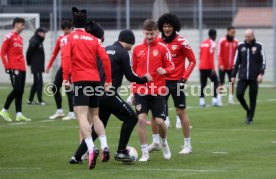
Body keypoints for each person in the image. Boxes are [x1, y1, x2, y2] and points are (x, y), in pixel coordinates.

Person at [69, 28, 153, 164]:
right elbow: (130, 75)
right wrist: (145, 79)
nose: (131, 48)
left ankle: (76, 156)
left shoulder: (104, 48)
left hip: (96, 93)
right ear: (130, 42)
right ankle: (121, 151)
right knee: (131, 117)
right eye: (132, 45)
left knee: (97, 128)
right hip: (109, 94)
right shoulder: (123, 53)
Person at [62, 7, 112, 170]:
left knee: (81, 115)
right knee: (95, 115)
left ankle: (91, 149)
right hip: (95, 80)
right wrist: (108, 81)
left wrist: (65, 78)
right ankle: (104, 145)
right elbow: (105, 59)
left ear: (73, 23)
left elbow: (66, 58)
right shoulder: (94, 39)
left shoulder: (68, 38)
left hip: (80, 80)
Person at [147, 13, 196, 155]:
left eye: (169, 26)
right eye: (164, 26)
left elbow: (192, 61)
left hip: (177, 82)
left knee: (181, 112)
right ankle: (156, 142)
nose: (167, 28)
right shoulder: (157, 41)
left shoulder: (182, 41)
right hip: (161, 83)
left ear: (174, 26)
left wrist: (184, 77)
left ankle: (187, 145)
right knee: (155, 114)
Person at [132, 19, 174, 162]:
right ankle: (144, 153)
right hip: (141, 91)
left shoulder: (163, 48)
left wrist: (165, 70)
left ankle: (164, 143)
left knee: (160, 121)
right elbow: (133, 71)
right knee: (141, 120)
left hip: (158, 91)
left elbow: (171, 66)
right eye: (147, 33)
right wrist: (133, 91)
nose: (149, 36)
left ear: (157, 32)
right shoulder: (137, 49)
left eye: (152, 33)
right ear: (143, 32)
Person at [231, 29, 266, 124]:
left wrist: (261, 74)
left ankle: (250, 118)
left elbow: (263, 61)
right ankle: (248, 110)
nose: (247, 38)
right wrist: (233, 75)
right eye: (245, 37)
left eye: (249, 37)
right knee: (239, 94)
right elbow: (236, 61)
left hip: (254, 77)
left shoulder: (259, 46)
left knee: (252, 98)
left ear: (253, 36)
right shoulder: (240, 46)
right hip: (242, 76)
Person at [0, 17, 31, 122]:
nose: (23, 27)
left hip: (22, 67)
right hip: (14, 68)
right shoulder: (8, 36)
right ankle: (4, 110)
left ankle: (19, 113)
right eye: (22, 25)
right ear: (16, 24)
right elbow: (2, 53)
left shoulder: (20, 38)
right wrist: (6, 66)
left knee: (21, 91)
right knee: (17, 89)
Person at [46, 20, 75, 120]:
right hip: (62, 68)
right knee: (54, 88)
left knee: (68, 90)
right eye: (65, 29)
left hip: (72, 68)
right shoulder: (60, 39)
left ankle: (72, 113)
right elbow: (54, 53)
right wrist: (49, 65)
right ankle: (60, 111)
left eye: (68, 29)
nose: (66, 31)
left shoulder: (74, 39)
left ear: (72, 28)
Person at [217, 26, 238, 105]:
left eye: (234, 32)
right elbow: (219, 54)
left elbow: (237, 55)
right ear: (228, 32)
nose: (233, 34)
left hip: (232, 67)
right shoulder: (222, 41)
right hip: (222, 66)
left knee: (232, 82)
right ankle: (219, 99)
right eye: (232, 32)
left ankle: (230, 99)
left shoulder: (236, 42)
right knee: (221, 82)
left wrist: (236, 65)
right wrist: (221, 64)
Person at [26, 27, 47, 105]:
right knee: (39, 83)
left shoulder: (39, 41)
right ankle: (40, 100)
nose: (44, 34)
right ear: (39, 33)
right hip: (36, 66)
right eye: (43, 33)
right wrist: (29, 63)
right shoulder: (34, 41)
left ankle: (30, 100)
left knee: (36, 83)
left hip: (39, 66)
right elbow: (28, 53)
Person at [199, 29, 219, 107]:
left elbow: (200, 55)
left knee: (203, 84)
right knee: (215, 82)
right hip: (209, 67)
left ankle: (202, 102)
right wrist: (213, 68)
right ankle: (214, 100)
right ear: (214, 35)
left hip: (202, 66)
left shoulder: (203, 43)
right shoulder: (212, 43)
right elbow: (211, 57)